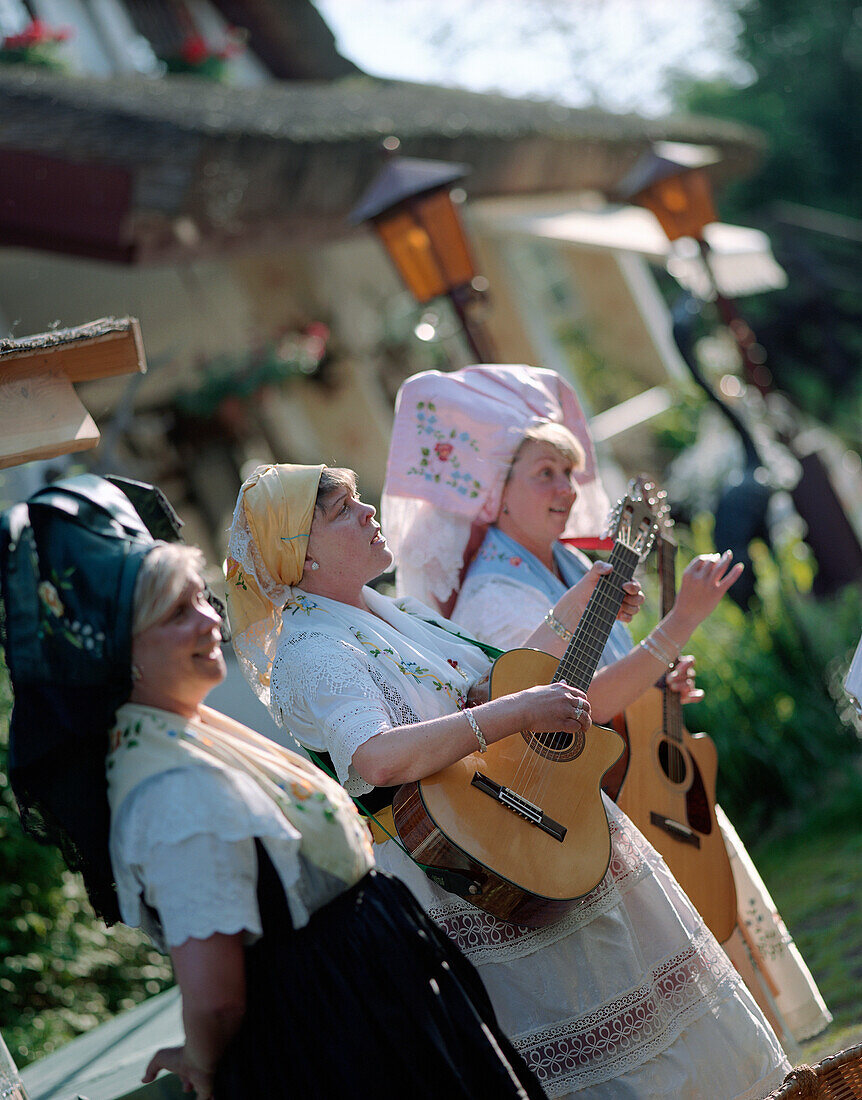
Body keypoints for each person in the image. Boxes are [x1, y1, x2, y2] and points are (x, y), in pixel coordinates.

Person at [226, 460, 791, 1100]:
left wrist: (574, 608)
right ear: (301, 560)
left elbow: (482, 690)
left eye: (361, 500)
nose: (368, 512)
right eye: (342, 511)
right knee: (600, 1047)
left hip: (525, 825)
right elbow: (378, 757)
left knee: (656, 1013)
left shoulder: (395, 613)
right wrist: (515, 714)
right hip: (478, 862)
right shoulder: (313, 650)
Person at [1, 475, 546, 1100]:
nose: (210, 620)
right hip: (338, 1035)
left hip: (369, 1003)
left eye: (201, 599)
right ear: (120, 655)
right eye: (177, 613)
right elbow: (216, 997)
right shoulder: (165, 787)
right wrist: (203, 1060)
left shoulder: (186, 739)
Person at [382, 362, 833, 1048]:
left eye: (568, 472)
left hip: (649, 779)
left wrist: (657, 691)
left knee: (734, 964)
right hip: (603, 808)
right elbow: (571, 708)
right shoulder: (493, 599)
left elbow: (615, 683)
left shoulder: (566, 564)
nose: (567, 489)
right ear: (492, 493)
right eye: (544, 474)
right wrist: (678, 622)